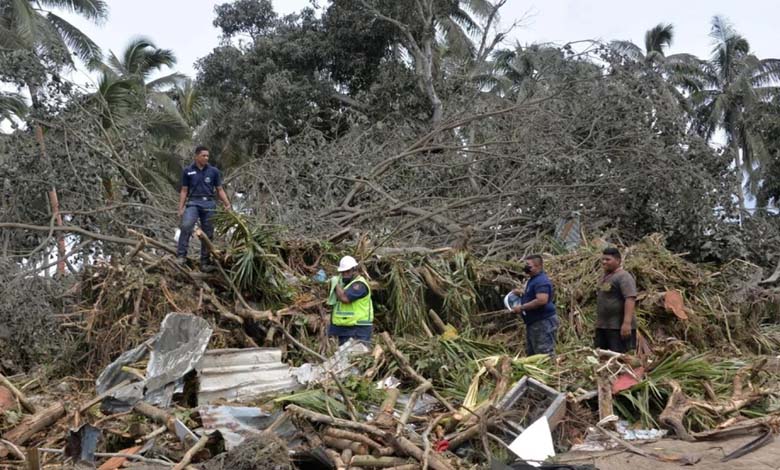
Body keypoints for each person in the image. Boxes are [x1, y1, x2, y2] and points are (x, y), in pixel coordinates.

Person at [176, 146, 231, 271]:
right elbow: (184, 191)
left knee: (208, 233)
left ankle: (204, 262)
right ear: (196, 156)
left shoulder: (213, 171)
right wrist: (180, 208)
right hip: (193, 202)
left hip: (209, 203)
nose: (206, 158)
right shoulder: (188, 171)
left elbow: (219, 189)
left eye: (207, 156)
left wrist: (227, 204)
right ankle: (181, 256)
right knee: (186, 226)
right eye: (203, 155)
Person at [511, 254, 559, 356]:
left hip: (542, 323)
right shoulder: (533, 279)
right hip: (534, 323)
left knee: (544, 354)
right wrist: (521, 292)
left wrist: (521, 308)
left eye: (528, 265)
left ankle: (548, 371)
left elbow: (541, 300)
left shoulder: (541, 281)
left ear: (538, 266)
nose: (525, 267)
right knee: (533, 354)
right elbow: (533, 294)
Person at [595, 247, 638, 353]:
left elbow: (630, 298)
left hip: (618, 328)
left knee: (619, 358)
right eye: (603, 259)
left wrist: (626, 323)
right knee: (602, 358)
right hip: (604, 326)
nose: (604, 262)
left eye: (608, 259)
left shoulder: (624, 277)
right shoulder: (606, 277)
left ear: (618, 260)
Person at [328, 256, 374, 346]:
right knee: (345, 357)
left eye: (347, 271)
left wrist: (335, 284)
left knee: (357, 357)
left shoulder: (359, 285)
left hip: (359, 329)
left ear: (354, 270)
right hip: (346, 329)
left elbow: (345, 299)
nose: (345, 274)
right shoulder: (346, 285)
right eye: (343, 272)